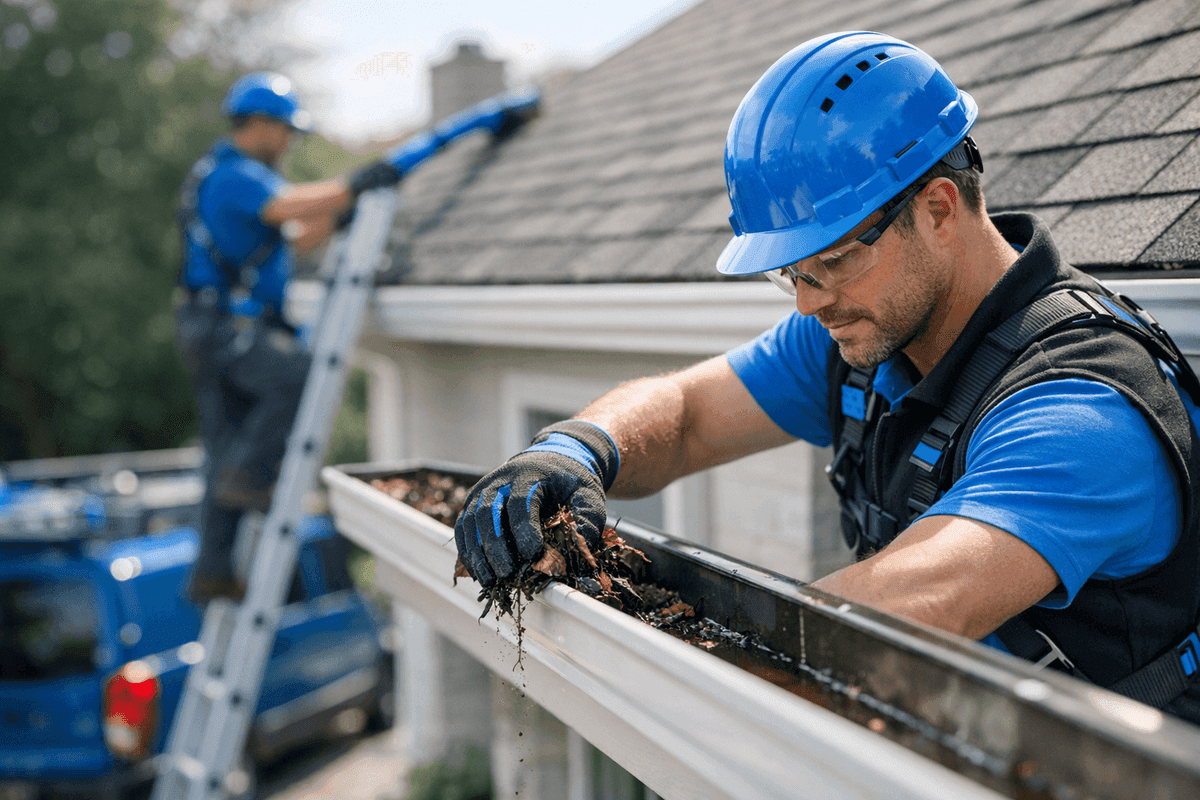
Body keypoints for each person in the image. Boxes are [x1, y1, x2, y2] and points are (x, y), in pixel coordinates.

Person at [454, 32, 1200, 723]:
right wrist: (575, 449)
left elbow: (903, 612)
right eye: (792, 274)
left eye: (834, 262)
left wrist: (656, 648)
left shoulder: (1081, 410)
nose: (810, 303)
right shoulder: (863, 335)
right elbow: (686, 414)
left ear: (939, 210)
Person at [175, 72, 402, 603]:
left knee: (224, 454)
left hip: (213, 327)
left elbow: (291, 238)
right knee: (297, 377)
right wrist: (355, 185)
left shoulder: (232, 179)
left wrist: (340, 218)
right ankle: (251, 476)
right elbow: (289, 206)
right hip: (223, 327)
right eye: (284, 131)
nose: (288, 142)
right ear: (258, 124)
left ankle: (213, 571)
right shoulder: (234, 174)